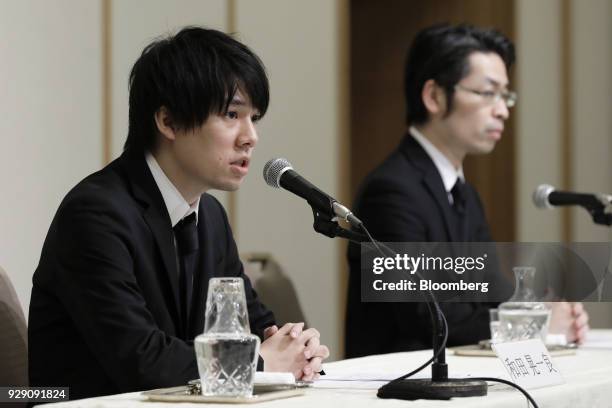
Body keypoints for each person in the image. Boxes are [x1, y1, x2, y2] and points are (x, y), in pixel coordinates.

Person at [28, 27, 329, 399]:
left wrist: (296, 347)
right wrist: (262, 363)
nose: (251, 136)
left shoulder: (211, 218)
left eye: (254, 117)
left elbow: (254, 327)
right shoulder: (95, 215)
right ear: (168, 121)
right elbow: (142, 361)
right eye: (232, 114)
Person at [345, 23, 589, 358]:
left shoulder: (465, 193)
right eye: (487, 93)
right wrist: (536, 323)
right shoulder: (391, 191)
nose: (502, 110)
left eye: (505, 96)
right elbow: (425, 314)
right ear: (434, 96)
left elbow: (491, 289)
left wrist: (541, 308)